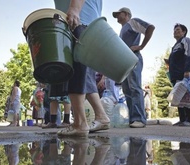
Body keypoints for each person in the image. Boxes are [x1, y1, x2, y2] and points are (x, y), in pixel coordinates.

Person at [55, 0, 110, 136]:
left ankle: (80, 123)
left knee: (74, 70)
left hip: (78, 21)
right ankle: (101, 116)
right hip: (90, 25)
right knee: (86, 76)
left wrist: (74, 8)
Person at [112, 7, 155, 128]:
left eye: (118, 14)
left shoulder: (132, 22)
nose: (116, 17)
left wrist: (141, 46)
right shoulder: (122, 30)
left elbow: (150, 28)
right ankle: (132, 119)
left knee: (134, 86)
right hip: (124, 61)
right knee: (126, 89)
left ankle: (139, 119)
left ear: (126, 14)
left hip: (133, 58)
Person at [168, 23, 190, 126]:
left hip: (184, 73)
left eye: (178, 30)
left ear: (184, 32)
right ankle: (182, 119)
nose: (175, 32)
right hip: (176, 74)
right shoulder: (175, 45)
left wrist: (188, 70)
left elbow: (189, 54)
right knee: (178, 96)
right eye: (174, 30)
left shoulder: (186, 40)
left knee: (187, 96)